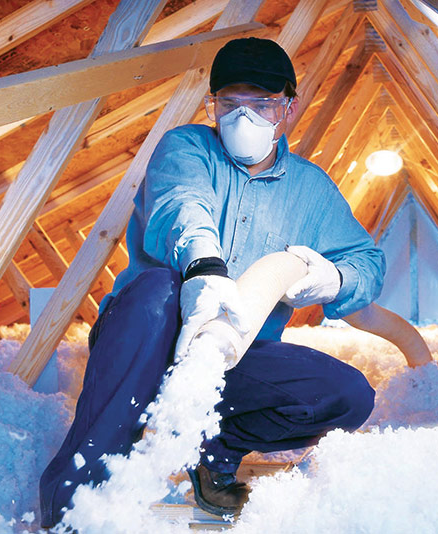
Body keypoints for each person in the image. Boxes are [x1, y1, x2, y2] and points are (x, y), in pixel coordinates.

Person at [39, 37, 386, 528]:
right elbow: (182, 204)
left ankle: (214, 449)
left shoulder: (311, 190)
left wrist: (334, 278)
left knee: (346, 394)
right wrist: (203, 267)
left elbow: (367, 261)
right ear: (213, 105)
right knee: (159, 288)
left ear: (287, 108)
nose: (243, 117)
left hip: (235, 354)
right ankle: (77, 499)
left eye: (261, 103)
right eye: (230, 102)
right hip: (146, 337)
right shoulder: (186, 146)